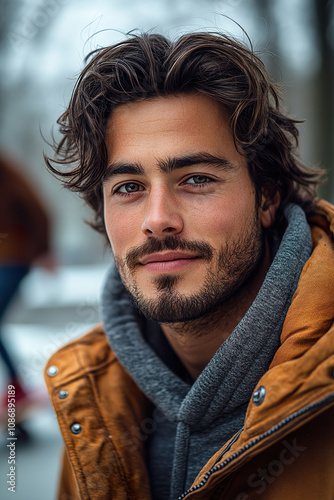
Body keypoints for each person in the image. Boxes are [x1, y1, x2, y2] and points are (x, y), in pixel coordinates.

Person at [44, 31, 334, 500]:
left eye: (196, 179)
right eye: (128, 187)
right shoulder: (90, 402)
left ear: (267, 196)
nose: (158, 221)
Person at [0, 151, 52, 431]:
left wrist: (43, 250)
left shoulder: (9, 175)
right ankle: (16, 402)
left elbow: (38, 211)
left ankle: (17, 388)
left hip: (13, 260)